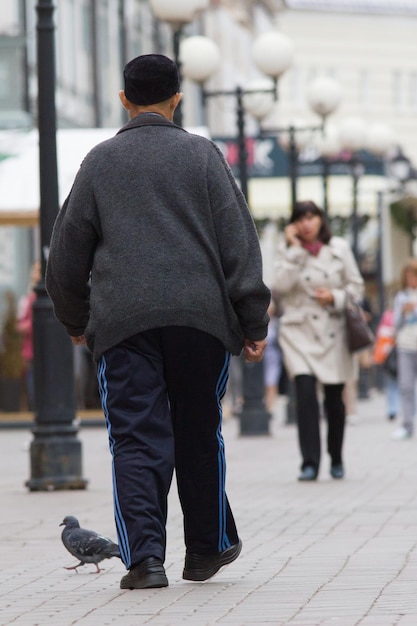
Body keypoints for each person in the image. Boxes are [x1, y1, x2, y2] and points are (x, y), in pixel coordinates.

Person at [46, 54, 270, 589]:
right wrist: (253, 319)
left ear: (124, 99)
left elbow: (65, 258)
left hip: (123, 324)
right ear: (177, 98)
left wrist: (78, 320)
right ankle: (206, 550)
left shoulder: (99, 162)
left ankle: (146, 561)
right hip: (200, 320)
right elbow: (239, 243)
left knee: (135, 438)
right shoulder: (203, 156)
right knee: (199, 430)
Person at [274, 200, 364, 481]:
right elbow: (278, 286)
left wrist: (334, 297)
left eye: (311, 217)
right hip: (298, 332)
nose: (306, 223)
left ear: (321, 220)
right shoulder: (287, 251)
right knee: (304, 395)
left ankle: (336, 457)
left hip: (333, 330)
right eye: (300, 218)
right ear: (293, 225)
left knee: (335, 400)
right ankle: (309, 462)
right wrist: (295, 250)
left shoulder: (339, 248)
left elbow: (357, 288)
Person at [392, 258, 417, 440]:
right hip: (405, 346)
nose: (411, 280)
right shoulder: (400, 296)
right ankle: (407, 425)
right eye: (408, 277)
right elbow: (395, 324)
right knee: (406, 386)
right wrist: (403, 312)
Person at [17, 261, 41, 410]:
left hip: (42, 347)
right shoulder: (29, 297)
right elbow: (22, 321)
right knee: (32, 377)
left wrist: (28, 325)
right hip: (31, 347)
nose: (34, 274)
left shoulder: (39, 297)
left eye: (37, 271)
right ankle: (36, 407)